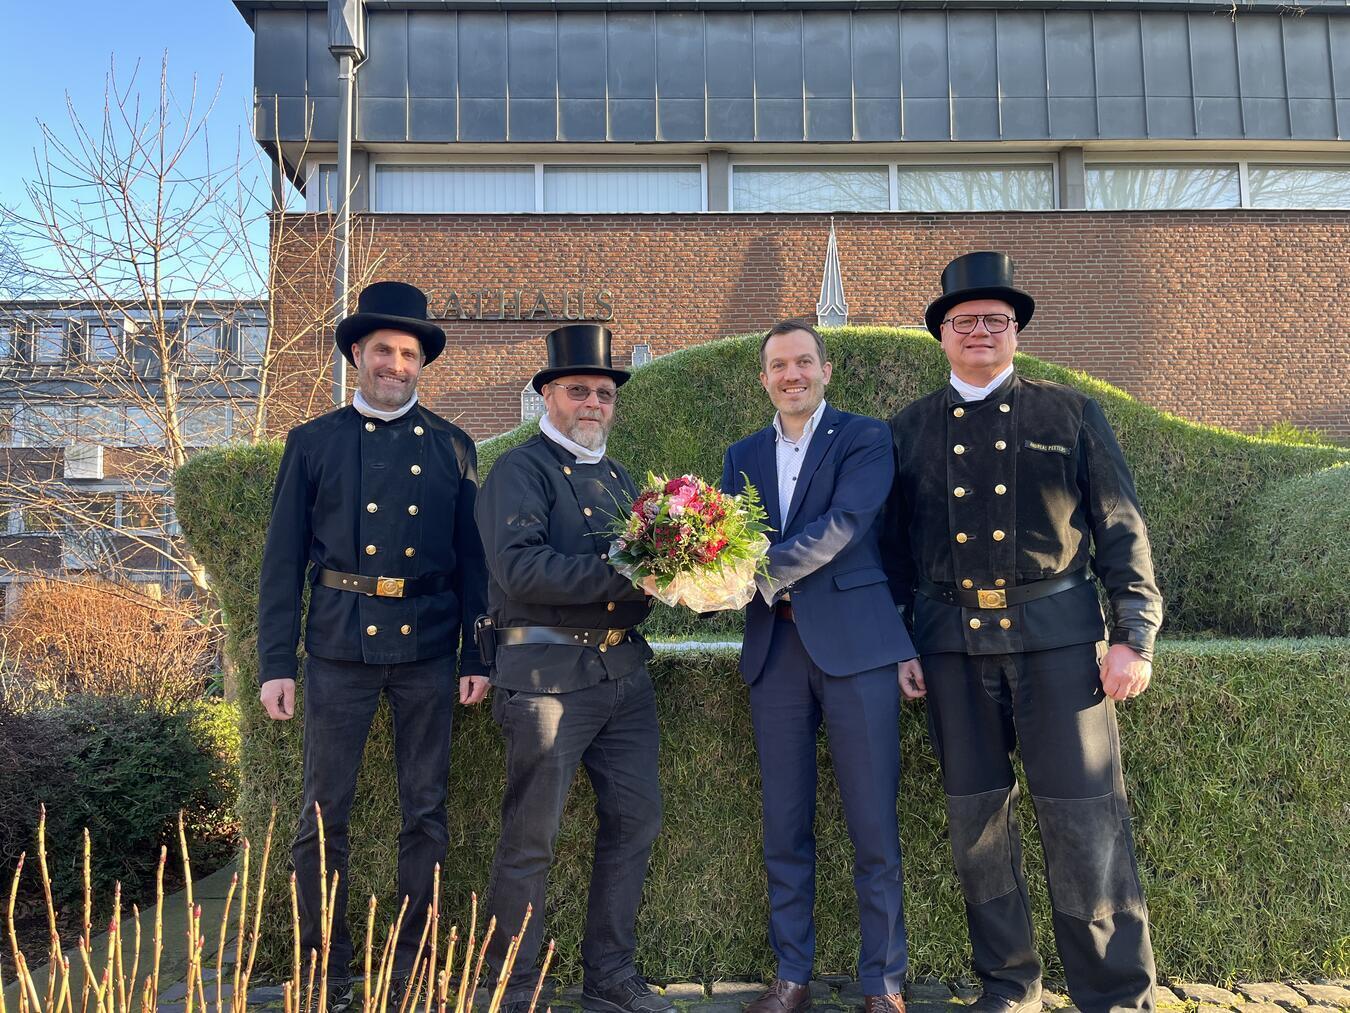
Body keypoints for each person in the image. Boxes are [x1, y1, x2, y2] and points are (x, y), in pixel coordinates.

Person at [883, 253, 1163, 1013]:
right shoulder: (907, 428)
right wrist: (901, 644)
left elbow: (1120, 525)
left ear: (1016, 331)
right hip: (949, 646)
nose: (979, 330)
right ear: (942, 334)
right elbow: (892, 553)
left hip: (1060, 646)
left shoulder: (1068, 413)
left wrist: (1133, 634)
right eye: (964, 320)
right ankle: (1009, 985)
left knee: (1086, 821)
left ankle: (1115, 993)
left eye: (994, 319)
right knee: (977, 824)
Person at [257, 281, 490, 1012]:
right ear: (358, 353)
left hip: (429, 646)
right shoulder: (313, 441)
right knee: (323, 814)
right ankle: (323, 971)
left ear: (422, 363)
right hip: (337, 647)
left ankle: (413, 970)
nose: (396, 364)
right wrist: (275, 663)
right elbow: (281, 561)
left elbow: (475, 563)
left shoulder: (453, 445)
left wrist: (477, 655)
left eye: (409, 353)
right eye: (384, 350)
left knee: (426, 812)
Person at [721, 320, 917, 1013]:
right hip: (774, 652)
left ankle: (883, 982)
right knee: (784, 824)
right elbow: (726, 540)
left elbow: (845, 525)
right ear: (764, 378)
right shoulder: (741, 455)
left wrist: (748, 572)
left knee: (873, 824)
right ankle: (791, 976)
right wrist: (702, 575)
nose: (792, 375)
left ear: (825, 370)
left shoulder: (865, 438)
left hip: (858, 650)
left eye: (803, 361)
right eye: (779, 365)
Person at [476, 324, 672, 1013]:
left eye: (604, 394)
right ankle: (510, 989)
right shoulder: (518, 470)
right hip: (546, 678)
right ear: (548, 396)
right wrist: (632, 573)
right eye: (578, 390)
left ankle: (609, 975)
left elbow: (643, 581)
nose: (593, 403)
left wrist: (685, 577)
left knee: (635, 823)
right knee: (531, 839)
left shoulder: (619, 477)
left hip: (622, 675)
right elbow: (521, 569)